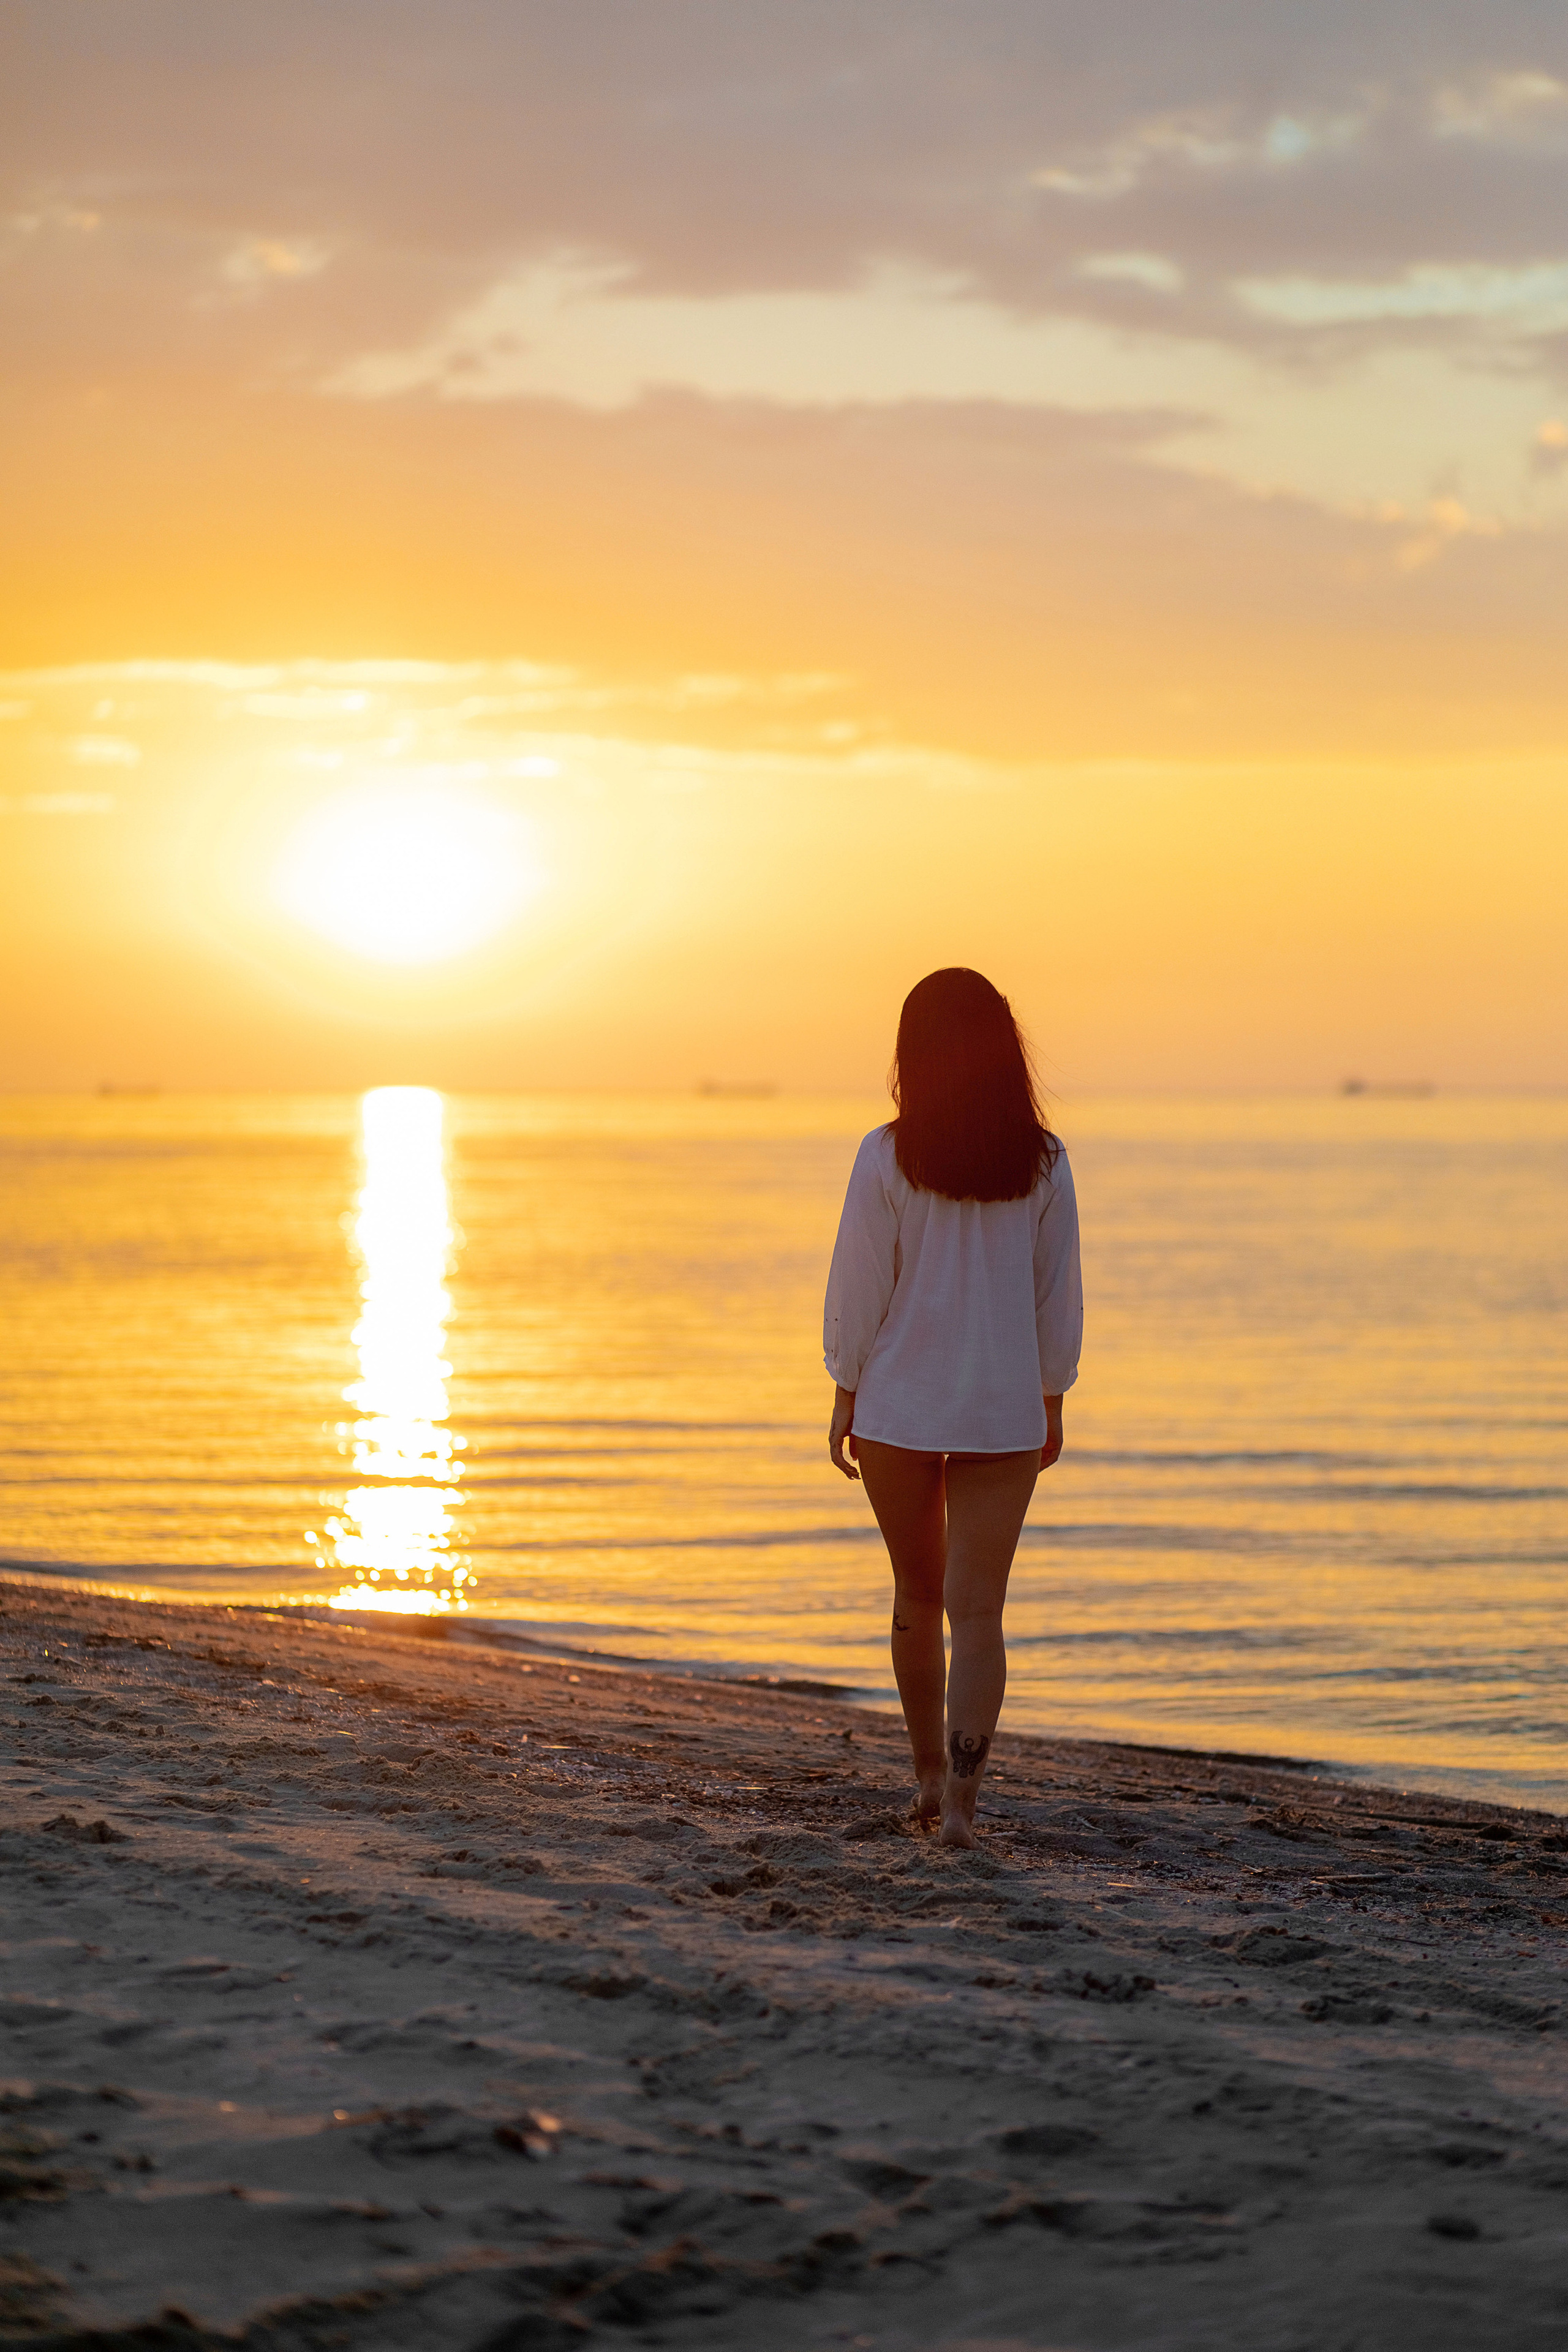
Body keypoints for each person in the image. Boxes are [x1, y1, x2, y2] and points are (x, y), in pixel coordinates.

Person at [823, 968, 1082, 1848]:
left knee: (916, 1593)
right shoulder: (1044, 1162)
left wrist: (844, 1385)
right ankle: (966, 1809)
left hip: (898, 1402)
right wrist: (1051, 1396)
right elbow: (1058, 1298)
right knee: (979, 1612)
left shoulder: (884, 1155)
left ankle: (929, 1779)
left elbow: (862, 1288)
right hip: (1003, 1408)